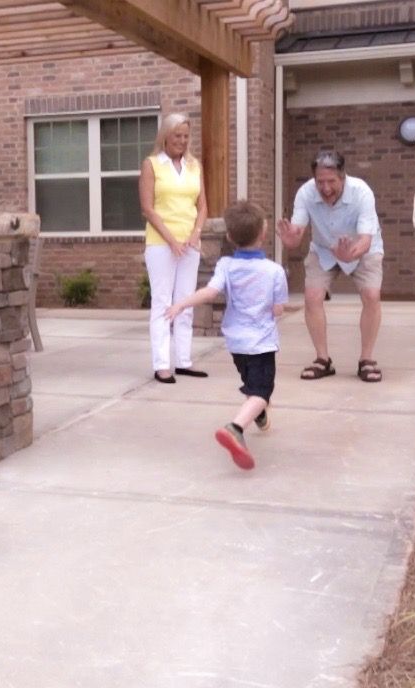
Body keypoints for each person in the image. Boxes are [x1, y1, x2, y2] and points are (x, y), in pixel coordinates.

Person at [165, 201, 288, 470]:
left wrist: (181, 304)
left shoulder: (225, 265)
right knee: (262, 391)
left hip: (236, 342)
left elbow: (210, 292)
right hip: (262, 342)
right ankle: (236, 427)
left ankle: (259, 415)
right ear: (264, 235)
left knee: (252, 384)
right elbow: (278, 309)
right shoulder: (275, 271)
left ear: (230, 237)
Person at [276, 150, 385, 383]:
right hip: (324, 247)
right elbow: (297, 233)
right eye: (320, 182)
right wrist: (291, 241)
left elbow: (366, 239)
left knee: (372, 295)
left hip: (361, 247)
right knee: (312, 296)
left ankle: (367, 360)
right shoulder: (305, 193)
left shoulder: (362, 192)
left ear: (343, 177)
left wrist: (351, 253)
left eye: (331, 182)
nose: (325, 188)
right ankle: (322, 360)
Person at [139, 113, 208, 384]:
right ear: (165, 136)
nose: (181, 140)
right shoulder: (152, 165)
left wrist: (195, 234)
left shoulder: (194, 166)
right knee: (163, 303)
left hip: (190, 244)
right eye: (176, 135)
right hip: (161, 244)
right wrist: (171, 240)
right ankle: (162, 365)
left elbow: (202, 206)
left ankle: (184, 361)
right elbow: (148, 208)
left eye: (185, 136)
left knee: (185, 303)